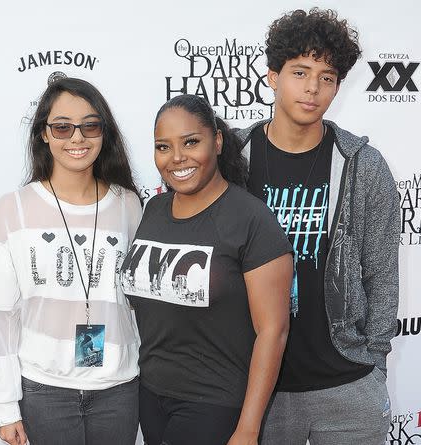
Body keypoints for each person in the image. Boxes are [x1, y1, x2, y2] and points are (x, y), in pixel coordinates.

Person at [235, 8, 400, 444]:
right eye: (300, 72)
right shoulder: (233, 159)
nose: (312, 88)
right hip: (256, 390)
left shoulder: (363, 166)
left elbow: (381, 274)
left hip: (347, 387)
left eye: (327, 77)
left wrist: (374, 368)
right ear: (272, 75)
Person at [121, 94, 293, 445]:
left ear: (216, 141)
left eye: (191, 142)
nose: (177, 158)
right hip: (150, 395)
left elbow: (273, 332)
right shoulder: (153, 209)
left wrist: (248, 428)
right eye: (163, 147)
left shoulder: (250, 218)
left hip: (215, 404)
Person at [0, 77, 142, 445]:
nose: (77, 138)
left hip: (119, 388)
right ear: (43, 133)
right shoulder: (13, 209)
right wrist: (6, 407)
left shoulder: (129, 204)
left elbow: (139, 305)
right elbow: (0, 314)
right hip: (44, 390)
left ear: (104, 131)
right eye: (62, 127)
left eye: (90, 125)